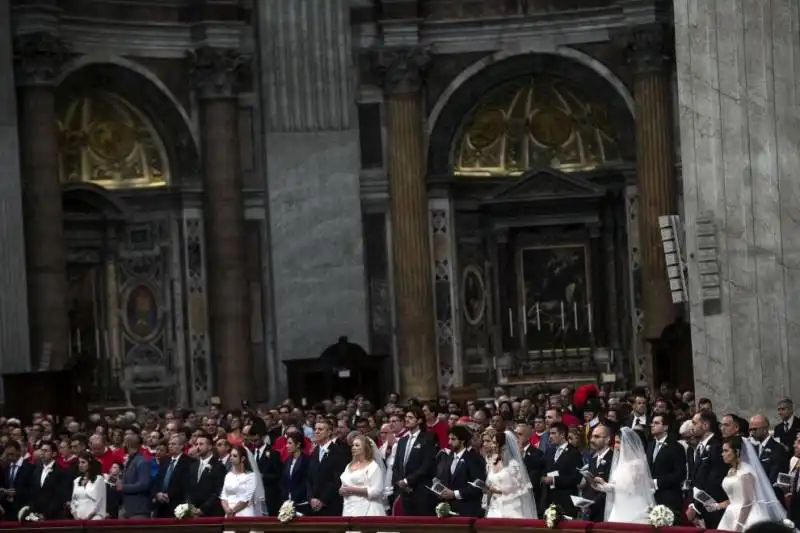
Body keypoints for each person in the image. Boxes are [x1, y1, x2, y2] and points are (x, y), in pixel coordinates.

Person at [713, 436, 788, 532]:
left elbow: (748, 501)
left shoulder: (746, 472)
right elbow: (735, 499)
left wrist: (739, 525)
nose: (722, 454)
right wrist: (717, 505)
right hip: (731, 514)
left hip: (747, 516)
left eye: (726, 451)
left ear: (737, 452)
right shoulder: (731, 471)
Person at [593, 427, 654, 524]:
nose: (615, 446)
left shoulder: (637, 464)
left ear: (627, 444)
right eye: (615, 442)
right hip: (618, 506)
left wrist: (605, 484)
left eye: (618, 442)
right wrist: (601, 486)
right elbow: (617, 486)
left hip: (632, 507)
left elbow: (628, 489)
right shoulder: (620, 464)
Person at [483, 429, 538, 518]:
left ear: (503, 445)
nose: (492, 445)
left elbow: (520, 488)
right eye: (492, 442)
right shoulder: (493, 462)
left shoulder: (513, 465)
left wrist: (497, 490)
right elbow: (490, 483)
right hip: (494, 505)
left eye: (495, 443)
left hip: (510, 507)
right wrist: (487, 491)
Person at [339, 434, 386, 516]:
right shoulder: (349, 465)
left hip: (369, 509)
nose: (353, 447)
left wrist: (353, 490)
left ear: (365, 448)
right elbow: (345, 484)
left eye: (357, 445)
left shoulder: (373, 466)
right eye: (353, 445)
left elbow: (377, 491)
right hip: (349, 508)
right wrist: (342, 490)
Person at [220, 445, 266, 517]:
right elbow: (223, 496)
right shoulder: (228, 476)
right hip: (229, 513)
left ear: (242, 458)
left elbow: (246, 498)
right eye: (231, 456)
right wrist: (227, 509)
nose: (231, 458)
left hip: (245, 512)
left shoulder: (251, 476)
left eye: (235, 456)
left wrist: (233, 510)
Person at [70, 451, 106, 520]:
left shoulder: (99, 479)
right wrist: (75, 516)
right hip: (78, 519)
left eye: (83, 462)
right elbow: (73, 502)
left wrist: (89, 517)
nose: (80, 465)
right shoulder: (76, 481)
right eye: (79, 463)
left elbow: (99, 502)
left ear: (90, 464)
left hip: (95, 518)